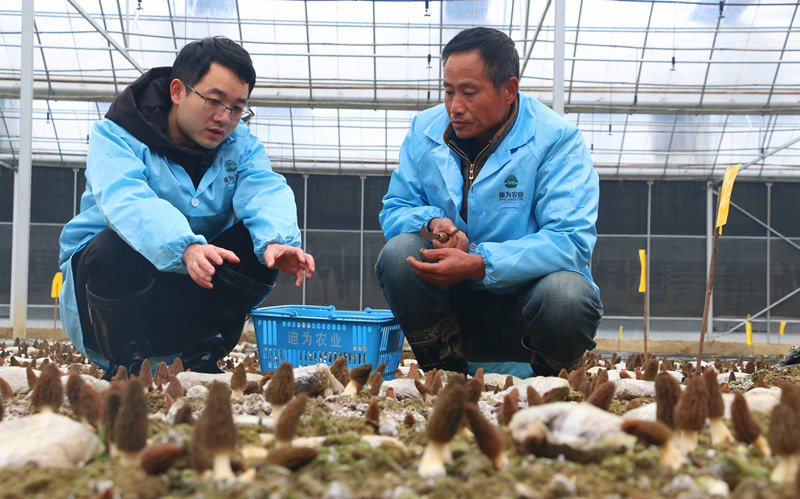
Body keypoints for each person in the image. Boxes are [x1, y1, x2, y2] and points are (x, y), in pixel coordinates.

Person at [59, 37, 314, 378]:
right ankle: (126, 364)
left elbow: (264, 188)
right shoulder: (117, 135)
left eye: (237, 108)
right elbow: (125, 198)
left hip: (189, 299)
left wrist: (277, 239)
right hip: (107, 305)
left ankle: (202, 356)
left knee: (259, 246)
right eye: (214, 101)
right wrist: (185, 244)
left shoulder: (242, 147)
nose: (224, 118)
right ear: (178, 91)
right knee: (115, 244)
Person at [375, 27, 602, 376]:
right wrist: (433, 225)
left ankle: (550, 379)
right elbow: (395, 208)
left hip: (526, 303)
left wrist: (480, 262)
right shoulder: (425, 130)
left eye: (469, 92)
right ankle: (444, 372)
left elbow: (570, 239)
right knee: (398, 254)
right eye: (449, 91)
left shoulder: (555, 139)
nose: (455, 107)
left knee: (566, 295)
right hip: (457, 300)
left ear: (509, 89)